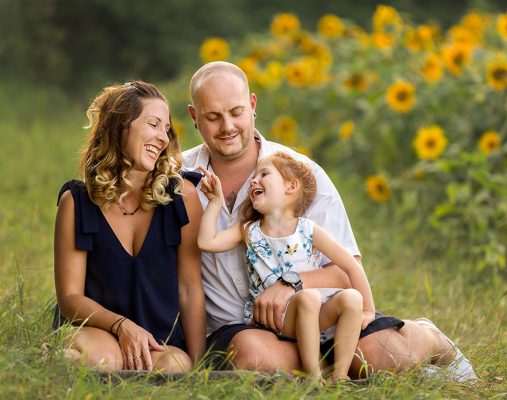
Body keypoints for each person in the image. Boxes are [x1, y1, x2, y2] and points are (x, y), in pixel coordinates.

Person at [182, 61, 476, 381]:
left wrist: (290, 283)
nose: (227, 126)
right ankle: (331, 374)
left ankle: (429, 336)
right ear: (194, 117)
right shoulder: (178, 178)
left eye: (236, 112)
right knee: (254, 357)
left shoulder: (299, 174)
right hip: (243, 330)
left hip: (324, 318)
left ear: (252, 105)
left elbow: (347, 268)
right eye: (213, 116)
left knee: (386, 355)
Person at [53, 80, 205, 372]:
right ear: (121, 125)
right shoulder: (77, 202)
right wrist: (122, 326)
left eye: (166, 129)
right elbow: (70, 298)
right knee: (102, 360)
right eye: (153, 124)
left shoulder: (182, 196)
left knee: (176, 367)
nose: (163, 137)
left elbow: (190, 289)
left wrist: (199, 369)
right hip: (102, 333)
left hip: (162, 343)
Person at [197, 151, 377, 381]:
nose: (254, 180)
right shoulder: (248, 230)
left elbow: (350, 266)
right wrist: (215, 201)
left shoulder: (308, 230)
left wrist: (368, 309)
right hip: (273, 319)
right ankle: (314, 377)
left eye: (264, 174)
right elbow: (206, 242)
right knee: (308, 297)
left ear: (291, 186)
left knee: (351, 298)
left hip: (313, 312)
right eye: (254, 176)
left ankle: (340, 377)